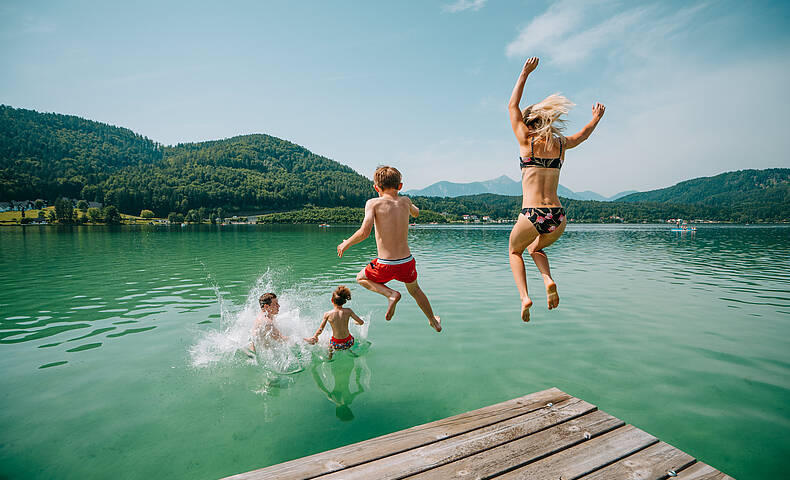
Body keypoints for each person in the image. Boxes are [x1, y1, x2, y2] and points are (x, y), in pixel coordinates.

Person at [507, 56, 605, 322]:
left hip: (532, 214)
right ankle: (548, 280)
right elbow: (582, 135)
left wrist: (524, 73)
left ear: (529, 123)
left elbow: (511, 105)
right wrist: (595, 119)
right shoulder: (560, 144)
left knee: (515, 251)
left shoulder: (526, 141)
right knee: (535, 249)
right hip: (558, 216)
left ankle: (525, 296)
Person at [336, 166, 441, 332]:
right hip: (406, 261)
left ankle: (390, 294)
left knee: (361, 278)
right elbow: (416, 213)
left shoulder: (373, 203)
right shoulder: (405, 201)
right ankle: (433, 320)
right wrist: (411, 208)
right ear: (400, 186)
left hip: (385, 263)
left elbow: (364, 232)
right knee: (415, 290)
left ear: (376, 187)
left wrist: (346, 243)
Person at [304, 286, 364, 359]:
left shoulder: (328, 314)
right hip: (349, 342)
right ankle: (352, 353)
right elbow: (361, 322)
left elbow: (320, 329)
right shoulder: (349, 311)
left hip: (336, 344)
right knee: (346, 346)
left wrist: (315, 336)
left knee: (328, 345)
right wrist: (356, 323)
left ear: (332, 300)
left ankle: (330, 357)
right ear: (344, 302)